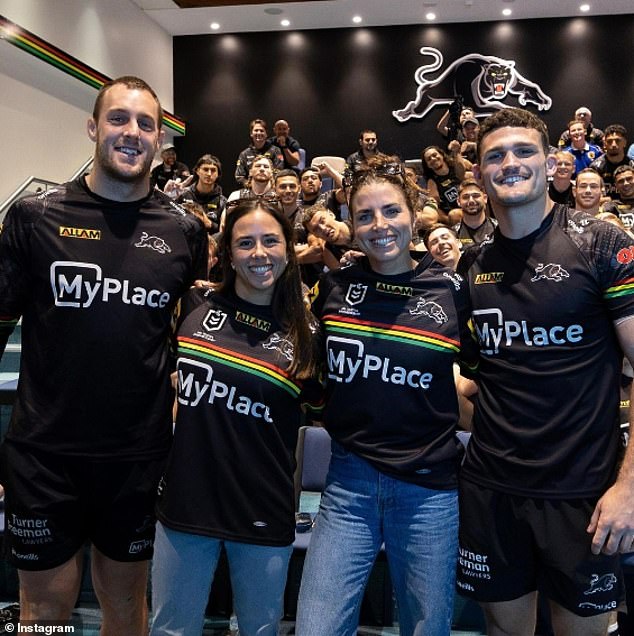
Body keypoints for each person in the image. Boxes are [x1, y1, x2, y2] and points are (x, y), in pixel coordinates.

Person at [0, 76, 208, 633]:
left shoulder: (186, 231)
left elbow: (195, 344)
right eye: (118, 118)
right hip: (44, 456)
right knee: (41, 612)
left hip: (136, 458)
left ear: (160, 139)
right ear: (93, 127)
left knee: (125, 608)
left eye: (145, 123)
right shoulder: (32, 217)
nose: (131, 133)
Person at [457, 107, 634, 636]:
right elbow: (473, 377)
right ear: (479, 173)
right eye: (495, 156)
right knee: (504, 631)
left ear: (551, 161)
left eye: (524, 151)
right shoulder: (472, 264)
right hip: (492, 490)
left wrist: (630, 485)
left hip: (584, 493)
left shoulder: (600, 242)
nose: (510, 163)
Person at [296, 156, 477, 636]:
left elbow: (484, 375)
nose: (380, 226)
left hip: (429, 492)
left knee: (426, 629)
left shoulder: (451, 290)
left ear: (414, 214)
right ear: (350, 224)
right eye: (365, 215)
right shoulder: (335, 286)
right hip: (348, 485)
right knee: (316, 628)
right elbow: (313, 375)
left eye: (391, 211)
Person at [150, 200, 321, 636]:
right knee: (171, 630)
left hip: (262, 506)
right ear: (227, 252)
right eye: (245, 243)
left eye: (270, 241)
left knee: (259, 630)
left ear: (288, 249)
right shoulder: (193, 304)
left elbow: (329, 413)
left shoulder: (308, 335)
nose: (258, 253)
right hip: (187, 501)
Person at [176, 153, 226, 234]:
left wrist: (209, 224)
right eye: (205, 169)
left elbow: (224, 233)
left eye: (213, 170)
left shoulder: (222, 202)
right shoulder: (184, 195)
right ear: (197, 171)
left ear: (218, 174)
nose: (209, 174)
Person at [421, 144, 470, 221]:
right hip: (457, 214)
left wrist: (456, 152)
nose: (433, 159)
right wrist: (448, 219)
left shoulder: (457, 164)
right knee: (454, 214)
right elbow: (434, 205)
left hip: (471, 202)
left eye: (434, 155)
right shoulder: (432, 182)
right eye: (429, 159)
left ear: (442, 155)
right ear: (427, 165)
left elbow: (465, 172)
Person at [234, 118, 283, 188]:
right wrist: (250, 185)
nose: (259, 133)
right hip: (250, 188)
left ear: (266, 134)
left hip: (271, 188)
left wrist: (269, 185)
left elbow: (279, 171)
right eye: (256, 130)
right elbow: (239, 176)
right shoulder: (244, 154)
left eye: (262, 131)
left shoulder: (276, 151)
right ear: (251, 133)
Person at [591, 125, 634, 200]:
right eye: (609, 141)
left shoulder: (632, 165)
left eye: (617, 141)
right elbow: (591, 195)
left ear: (624, 142)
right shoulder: (596, 167)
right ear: (605, 144)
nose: (613, 145)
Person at [453, 179, 496, 248]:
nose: (471, 201)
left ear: (485, 198)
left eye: (476, 196)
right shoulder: (453, 234)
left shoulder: (499, 229)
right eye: (465, 197)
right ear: (458, 202)